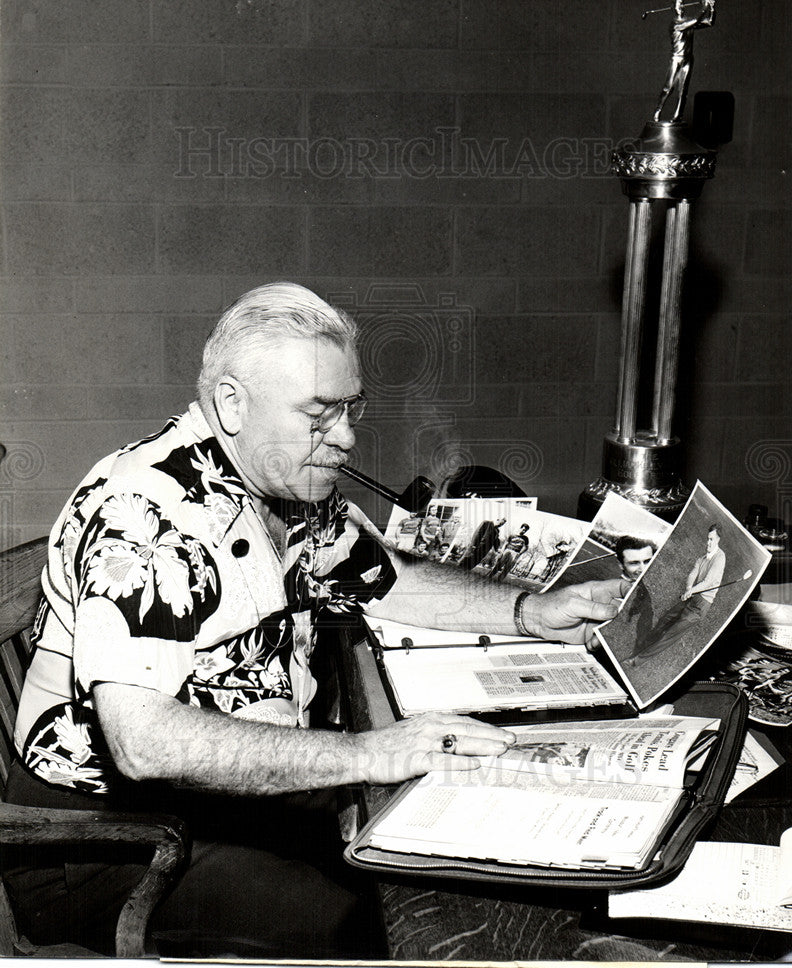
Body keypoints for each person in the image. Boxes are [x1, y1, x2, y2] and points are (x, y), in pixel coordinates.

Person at [5, 283, 623, 958]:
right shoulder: (148, 516)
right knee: (370, 925)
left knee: (460, 848)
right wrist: (366, 752)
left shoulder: (287, 486)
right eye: (318, 415)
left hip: (228, 803)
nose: (347, 438)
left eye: (349, 410)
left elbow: (389, 581)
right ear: (232, 405)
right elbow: (143, 743)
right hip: (111, 848)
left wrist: (533, 613)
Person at [626, 523, 725, 663]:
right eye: (707, 539)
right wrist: (689, 588)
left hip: (701, 605)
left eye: (712, 539)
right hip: (693, 596)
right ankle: (640, 648)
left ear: (718, 540)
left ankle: (637, 660)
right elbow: (693, 573)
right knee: (664, 620)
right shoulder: (703, 558)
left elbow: (708, 582)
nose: (708, 542)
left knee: (670, 634)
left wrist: (691, 591)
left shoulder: (720, 558)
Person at [653, 0, 716, 123]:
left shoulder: (688, 22)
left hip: (688, 59)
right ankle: (658, 110)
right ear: (674, 8)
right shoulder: (676, 24)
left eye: (682, 4)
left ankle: (678, 116)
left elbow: (709, 22)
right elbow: (696, 19)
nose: (681, 6)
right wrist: (704, 7)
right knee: (669, 88)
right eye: (678, 4)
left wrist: (712, 10)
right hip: (676, 59)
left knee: (683, 90)